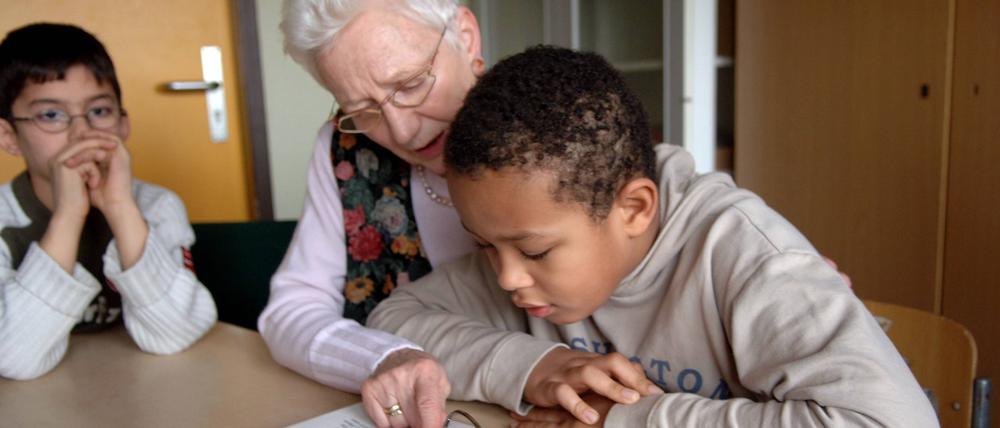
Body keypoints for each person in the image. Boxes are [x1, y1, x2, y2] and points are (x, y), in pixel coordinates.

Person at [368, 46, 938, 426]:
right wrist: (534, 365)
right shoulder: (520, 239)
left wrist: (625, 416)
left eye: (535, 251)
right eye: (485, 246)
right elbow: (394, 319)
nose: (507, 277)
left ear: (634, 209)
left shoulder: (742, 255)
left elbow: (891, 421)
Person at [0, 23, 217, 380]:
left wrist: (120, 207)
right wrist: (69, 215)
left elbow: (176, 334)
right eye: (51, 115)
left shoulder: (156, 205)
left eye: (99, 111)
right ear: (9, 136)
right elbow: (13, 358)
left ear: (123, 124)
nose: (82, 132)